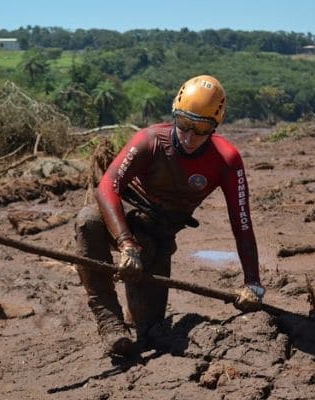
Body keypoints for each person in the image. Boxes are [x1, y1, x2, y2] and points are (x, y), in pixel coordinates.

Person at [75, 74, 265, 358]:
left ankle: (135, 311)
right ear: (175, 114)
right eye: (184, 124)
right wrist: (126, 243)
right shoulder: (149, 140)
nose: (189, 137)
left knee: (150, 332)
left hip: (157, 238)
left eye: (200, 129)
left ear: (216, 125)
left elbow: (242, 223)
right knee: (88, 219)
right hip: (123, 220)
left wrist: (253, 283)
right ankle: (109, 321)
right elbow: (106, 187)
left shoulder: (226, 160)